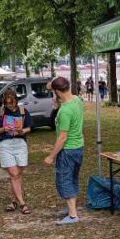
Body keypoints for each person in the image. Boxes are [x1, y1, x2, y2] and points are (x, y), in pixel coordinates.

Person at [44, 77, 84, 224]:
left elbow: (62, 138)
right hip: (78, 148)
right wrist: (54, 88)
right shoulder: (78, 100)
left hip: (67, 150)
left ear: (58, 92)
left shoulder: (65, 111)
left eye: (54, 91)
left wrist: (51, 156)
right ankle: (71, 208)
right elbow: (53, 85)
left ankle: (73, 215)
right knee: (72, 177)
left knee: (64, 180)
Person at [0, 90, 32, 215]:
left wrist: (22, 131)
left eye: (12, 103)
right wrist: (4, 128)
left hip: (20, 143)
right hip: (6, 144)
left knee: (18, 174)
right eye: (7, 103)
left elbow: (29, 127)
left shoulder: (22, 111)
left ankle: (14, 201)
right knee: (14, 174)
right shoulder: (0, 112)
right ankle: (22, 203)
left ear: (16, 100)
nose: (9, 105)